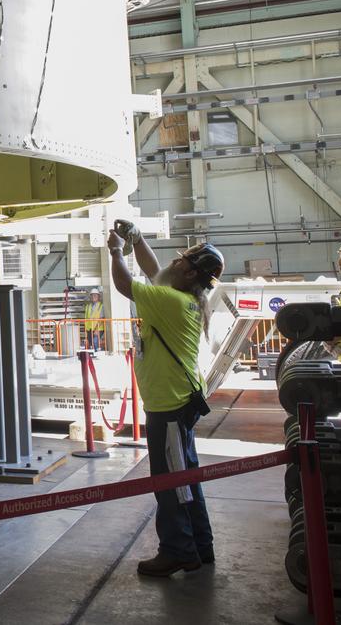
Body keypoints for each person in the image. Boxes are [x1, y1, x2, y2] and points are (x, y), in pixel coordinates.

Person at [108, 221, 224, 577]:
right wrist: (137, 239)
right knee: (185, 475)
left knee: (171, 482)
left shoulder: (171, 301)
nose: (175, 263)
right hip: (179, 401)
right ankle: (200, 546)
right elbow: (154, 271)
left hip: (170, 407)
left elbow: (126, 283)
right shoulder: (184, 297)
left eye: (182, 260)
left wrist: (115, 251)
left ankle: (178, 551)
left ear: (190, 274)